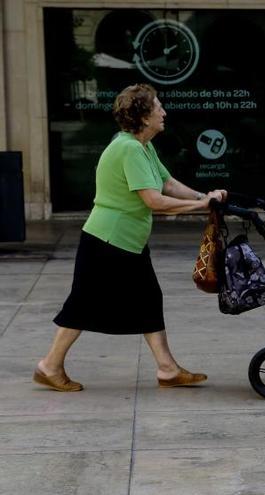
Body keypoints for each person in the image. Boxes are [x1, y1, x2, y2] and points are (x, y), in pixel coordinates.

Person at [33, 83, 227, 392]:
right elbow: (154, 201)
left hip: (126, 241)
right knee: (83, 305)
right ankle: (50, 366)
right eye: (158, 107)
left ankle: (167, 369)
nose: (164, 112)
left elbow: (168, 183)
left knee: (148, 299)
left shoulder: (142, 146)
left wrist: (205, 198)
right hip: (107, 241)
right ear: (143, 116)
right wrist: (200, 205)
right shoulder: (128, 148)